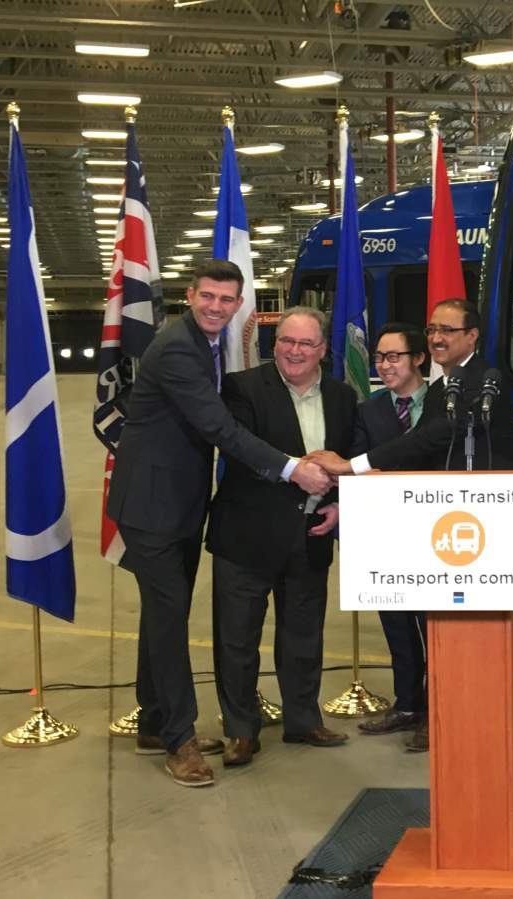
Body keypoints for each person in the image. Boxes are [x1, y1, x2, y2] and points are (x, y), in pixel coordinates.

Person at [310, 299, 513, 745]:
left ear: (471, 336)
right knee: (455, 619)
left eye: (447, 329)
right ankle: (449, 709)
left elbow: (437, 435)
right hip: (454, 516)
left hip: (505, 510)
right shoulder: (445, 388)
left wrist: (354, 464)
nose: (437, 337)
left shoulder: (485, 381)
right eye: (432, 329)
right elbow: (426, 450)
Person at [108, 259, 332, 787]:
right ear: (191, 296)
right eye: (207, 296)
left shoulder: (201, 343)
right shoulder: (178, 348)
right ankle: (179, 740)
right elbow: (220, 429)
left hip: (178, 502)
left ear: (238, 306)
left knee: (164, 615)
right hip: (151, 507)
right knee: (168, 620)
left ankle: (154, 719)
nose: (216, 307)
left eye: (227, 300)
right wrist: (291, 468)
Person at [205, 307, 357, 767]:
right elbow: (243, 450)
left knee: (304, 635)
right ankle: (241, 731)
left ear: (323, 351)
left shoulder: (344, 397)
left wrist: (338, 504)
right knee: (237, 639)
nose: (294, 351)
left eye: (305, 344)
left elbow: (346, 461)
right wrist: (298, 475)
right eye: (287, 341)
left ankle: (303, 720)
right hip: (247, 536)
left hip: (311, 533)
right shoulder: (242, 388)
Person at [349, 324, 431, 750]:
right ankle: (407, 705)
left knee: (431, 624)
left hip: (435, 533)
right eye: (380, 357)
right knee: (396, 624)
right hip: (385, 531)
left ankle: (436, 712)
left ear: (418, 358)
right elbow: (359, 466)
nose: (384, 365)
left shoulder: (442, 403)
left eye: (394, 356)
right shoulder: (370, 411)